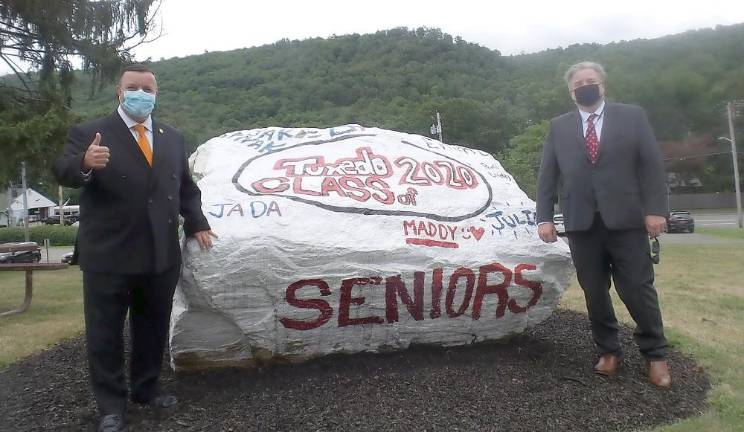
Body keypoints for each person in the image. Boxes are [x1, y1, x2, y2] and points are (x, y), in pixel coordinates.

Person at [53, 64, 216, 431]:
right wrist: (84, 163)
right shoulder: (92, 133)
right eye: (133, 86)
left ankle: (146, 388)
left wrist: (198, 223)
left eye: (148, 88)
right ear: (119, 91)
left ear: (156, 93)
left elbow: (185, 189)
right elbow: (62, 169)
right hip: (109, 253)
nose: (141, 93)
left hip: (159, 253)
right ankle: (111, 404)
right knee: (105, 332)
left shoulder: (172, 137)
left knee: (152, 326)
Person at [536, 61, 671, 389]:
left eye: (590, 81)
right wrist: (544, 217)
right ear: (571, 92)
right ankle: (609, 351)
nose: (585, 86)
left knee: (637, 290)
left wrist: (656, 210)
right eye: (578, 83)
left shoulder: (632, 116)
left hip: (626, 220)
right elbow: (548, 175)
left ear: (602, 85)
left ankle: (656, 355)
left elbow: (651, 166)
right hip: (581, 223)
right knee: (594, 292)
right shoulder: (559, 126)